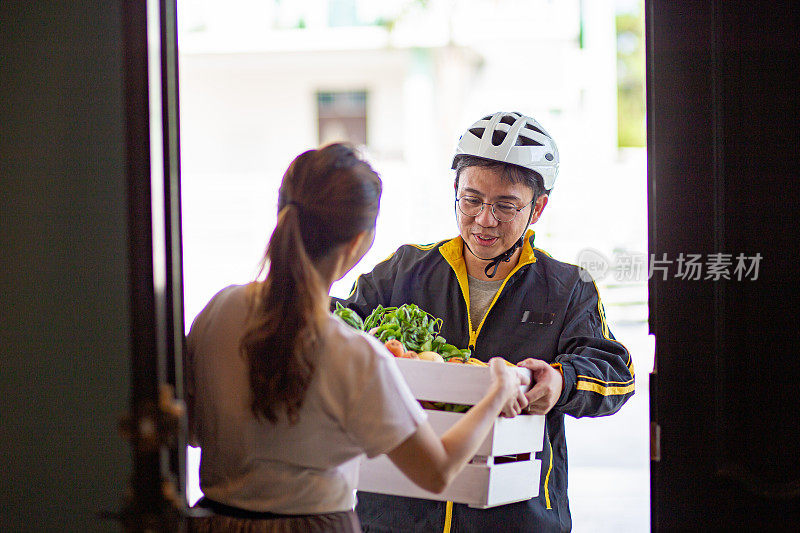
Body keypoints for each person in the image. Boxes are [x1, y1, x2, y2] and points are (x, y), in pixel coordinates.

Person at [185, 143, 530, 533]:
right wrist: (498, 389)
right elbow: (436, 472)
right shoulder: (354, 355)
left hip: (211, 521)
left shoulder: (221, 309)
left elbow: (191, 428)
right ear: (358, 243)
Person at [339, 112, 636, 532]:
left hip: (515, 515)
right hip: (397, 511)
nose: (484, 220)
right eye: (472, 200)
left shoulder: (567, 286)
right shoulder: (405, 269)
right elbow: (338, 326)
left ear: (538, 209)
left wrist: (560, 381)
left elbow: (616, 374)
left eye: (506, 206)